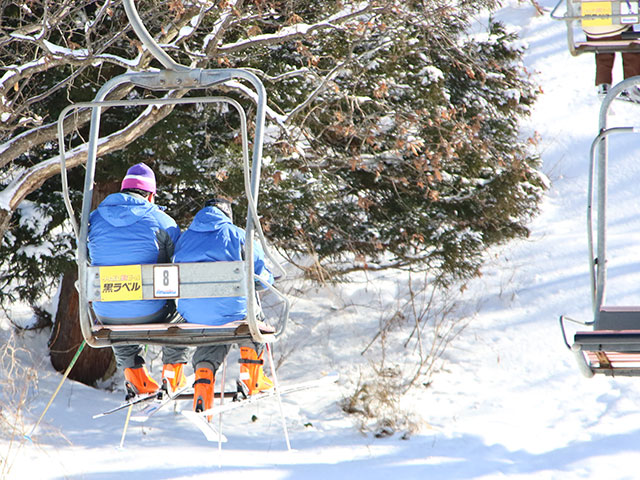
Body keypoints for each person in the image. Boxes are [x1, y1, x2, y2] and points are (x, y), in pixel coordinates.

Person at [88, 163, 190, 397]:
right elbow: (181, 257)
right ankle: (173, 371)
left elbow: (86, 254)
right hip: (151, 310)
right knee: (184, 311)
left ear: (124, 190)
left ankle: (135, 374)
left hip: (105, 312)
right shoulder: (161, 221)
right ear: (151, 195)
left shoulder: (93, 219)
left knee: (119, 306)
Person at [172, 198, 274, 416]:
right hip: (233, 312)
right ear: (228, 215)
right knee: (250, 320)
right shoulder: (238, 235)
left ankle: (203, 384)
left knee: (214, 330)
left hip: (193, 314)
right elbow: (261, 275)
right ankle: (251, 375)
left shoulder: (184, 238)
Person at [583, 20, 640, 99]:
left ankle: (603, 86)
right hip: (618, 30)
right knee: (631, 50)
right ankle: (630, 87)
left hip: (593, 32)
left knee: (603, 54)